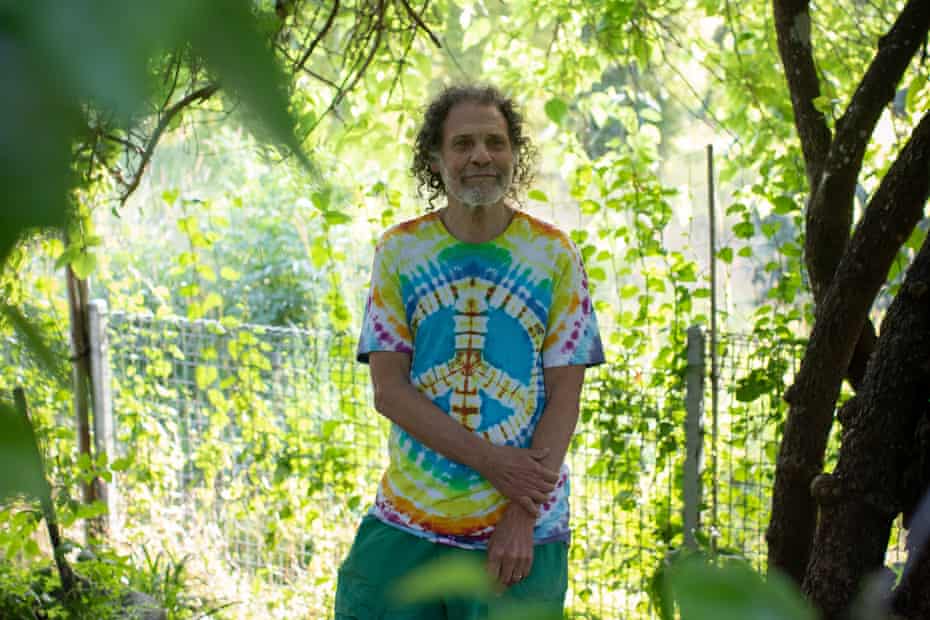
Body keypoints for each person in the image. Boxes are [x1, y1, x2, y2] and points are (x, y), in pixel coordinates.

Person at [335, 84, 605, 619]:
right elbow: (389, 391)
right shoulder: (401, 251)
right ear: (436, 159)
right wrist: (493, 462)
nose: (481, 155)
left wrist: (522, 515)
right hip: (408, 522)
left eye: (495, 142)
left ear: (513, 155)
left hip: (520, 534)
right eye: (462, 144)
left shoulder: (553, 254)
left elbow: (564, 398)